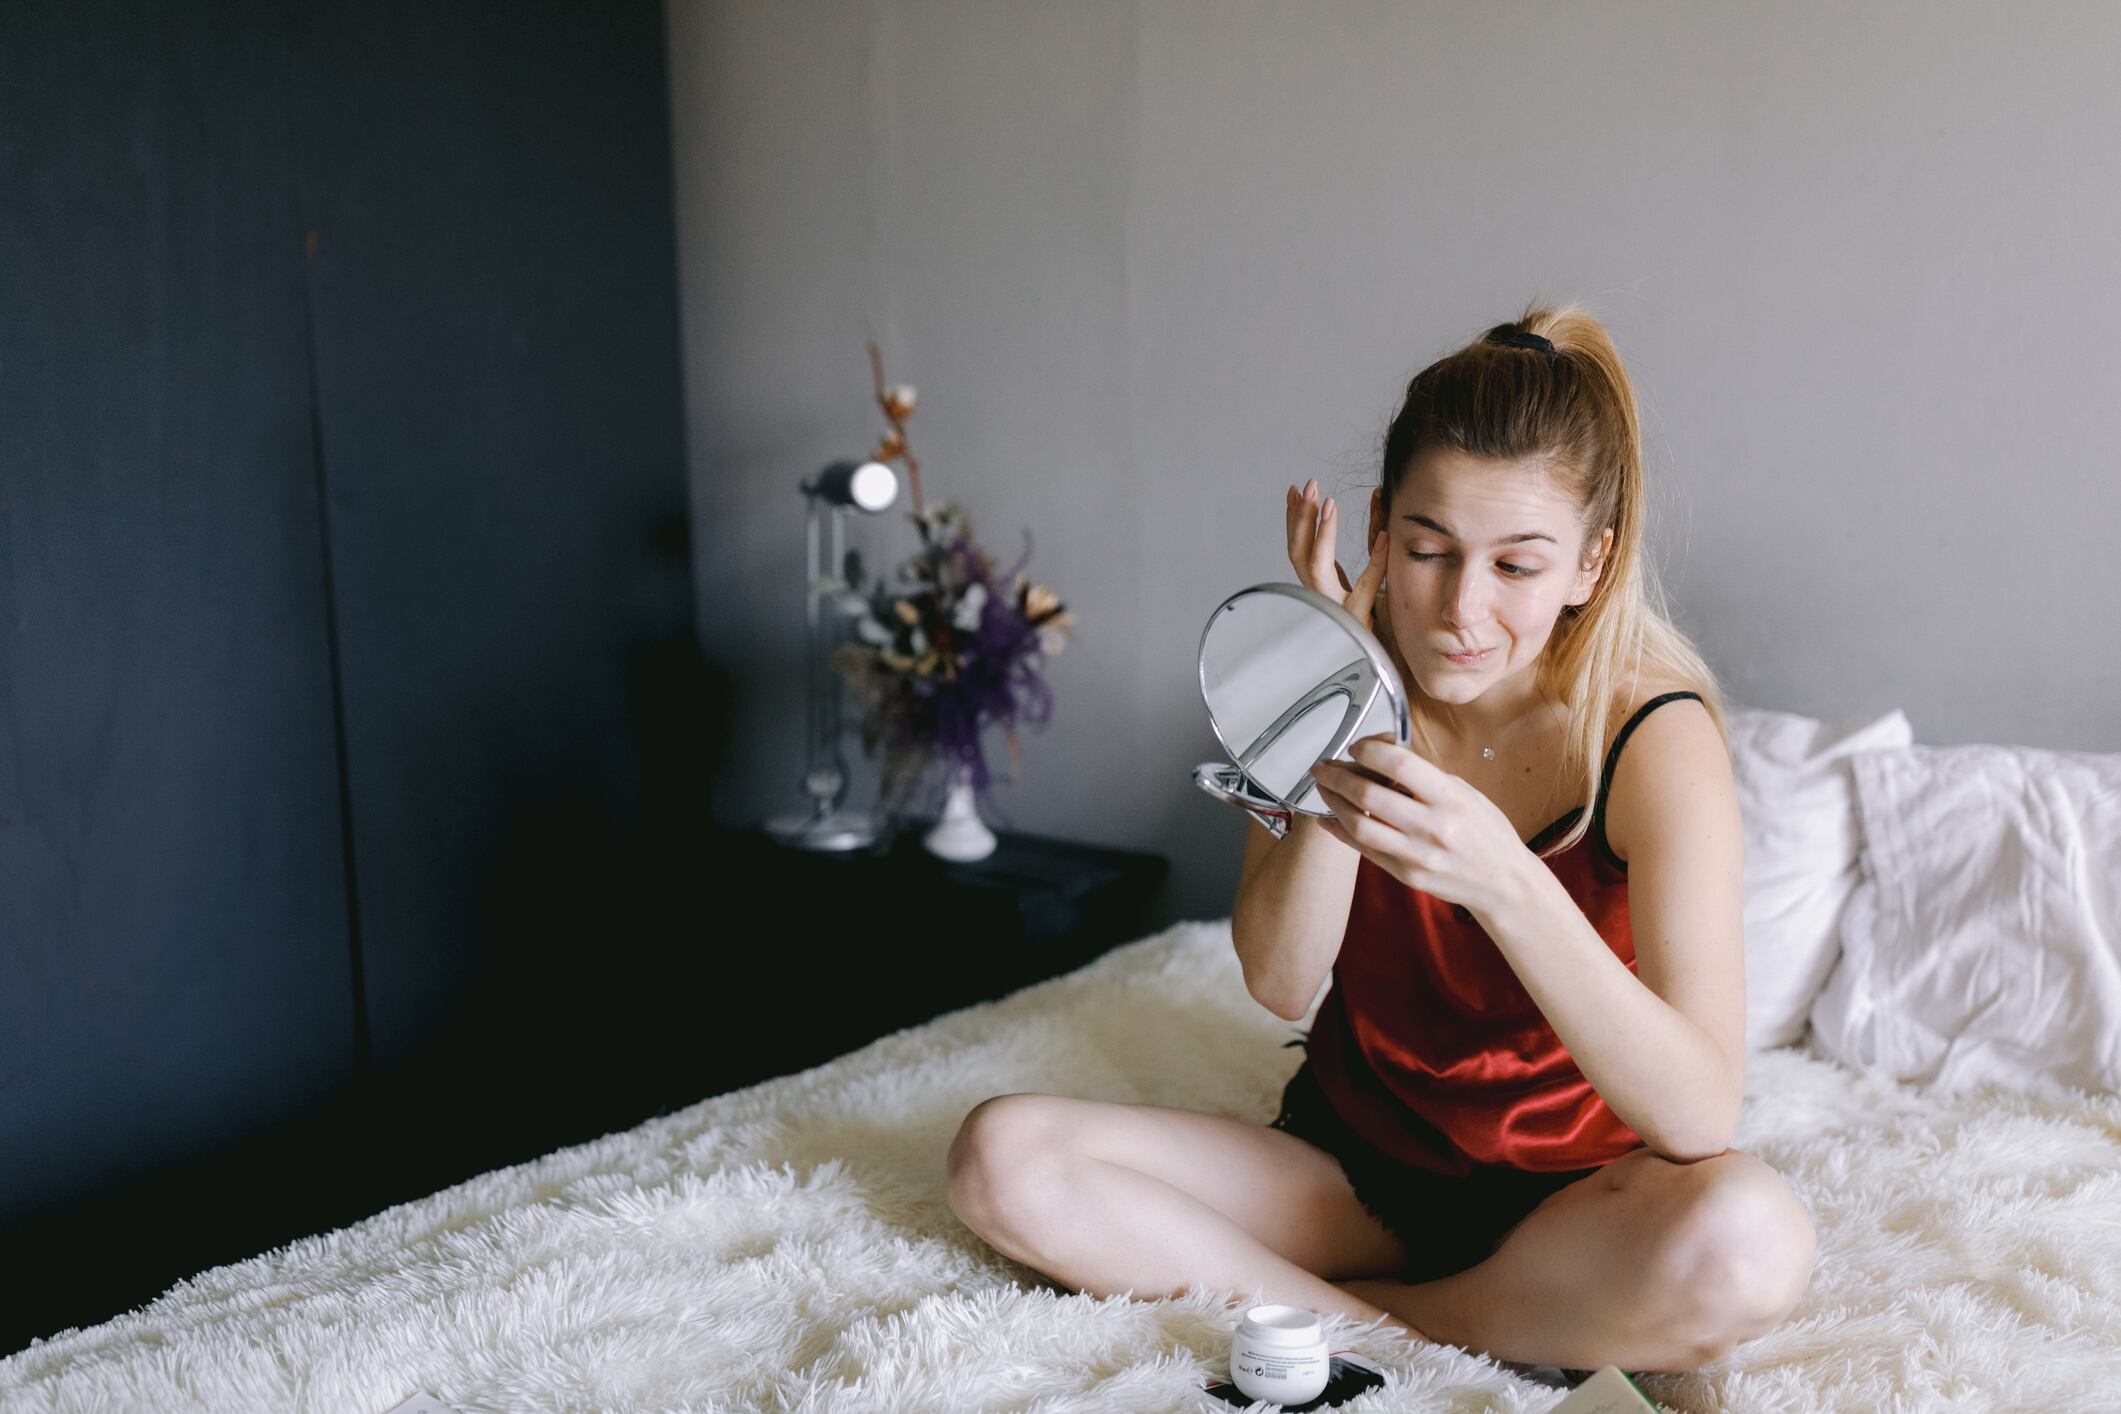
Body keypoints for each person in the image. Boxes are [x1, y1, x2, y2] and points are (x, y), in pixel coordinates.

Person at [944, 303, 1817, 1375]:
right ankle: (1414, 1333)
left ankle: (1343, 1314)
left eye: (1517, 567)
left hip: (1580, 1203)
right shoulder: (1328, 684)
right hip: (1359, 1174)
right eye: (1428, 548)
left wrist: (1506, 879)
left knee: (1751, 1241)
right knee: (1002, 1157)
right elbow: (1278, 976)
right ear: (1377, 532)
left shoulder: (1654, 734)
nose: (1459, 607)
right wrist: (1347, 711)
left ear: (1590, 566)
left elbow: (1697, 1110)